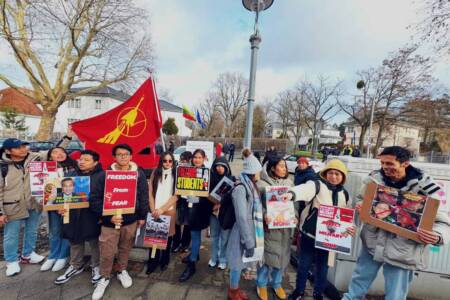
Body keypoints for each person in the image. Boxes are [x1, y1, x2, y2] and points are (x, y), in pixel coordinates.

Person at [343, 146, 450, 300]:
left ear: (405, 163)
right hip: (372, 243)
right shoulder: (374, 179)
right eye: (382, 163)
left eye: (390, 164)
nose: (385, 168)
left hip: (403, 250)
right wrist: (362, 206)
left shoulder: (426, 188)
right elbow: (361, 199)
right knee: (355, 288)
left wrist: (437, 236)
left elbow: (443, 221)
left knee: (395, 295)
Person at [286, 159, 355, 300]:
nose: (334, 176)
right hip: (309, 235)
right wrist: (292, 194)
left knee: (323, 268)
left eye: (337, 174)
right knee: (304, 265)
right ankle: (299, 291)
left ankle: (318, 294)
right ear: (325, 173)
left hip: (328, 239)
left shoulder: (345, 194)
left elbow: (347, 216)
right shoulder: (317, 185)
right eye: (331, 173)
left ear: (343, 177)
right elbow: (304, 189)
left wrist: (350, 228)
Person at [90, 144, 149, 300]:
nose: (123, 157)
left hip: (130, 220)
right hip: (110, 222)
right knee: (107, 251)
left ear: (131, 156)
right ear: (114, 157)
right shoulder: (105, 175)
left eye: (126, 154)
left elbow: (143, 195)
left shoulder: (139, 174)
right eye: (119, 154)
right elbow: (95, 199)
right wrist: (107, 217)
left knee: (125, 248)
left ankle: (122, 270)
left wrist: (142, 216)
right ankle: (104, 277)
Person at [55, 150, 103, 285]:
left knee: (95, 242)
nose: (81, 162)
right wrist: (59, 206)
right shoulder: (71, 174)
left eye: (86, 160)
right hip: (72, 214)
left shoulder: (102, 176)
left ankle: (96, 266)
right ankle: (76, 265)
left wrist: (102, 215)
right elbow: (60, 193)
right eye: (81, 159)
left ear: (95, 162)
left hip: (93, 215)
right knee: (75, 241)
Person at [0, 138, 46, 276]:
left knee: (32, 230)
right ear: (8, 151)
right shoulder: (3, 166)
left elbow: (56, 152)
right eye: (18, 147)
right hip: (12, 205)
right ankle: (11, 261)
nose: (23, 149)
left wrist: (68, 137)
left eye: (24, 146)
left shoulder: (36, 158)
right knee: (11, 235)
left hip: (33, 202)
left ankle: (27, 254)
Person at [226, 148, 263, 300]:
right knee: (236, 265)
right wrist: (248, 242)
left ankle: (235, 289)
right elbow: (241, 217)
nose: (260, 174)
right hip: (241, 233)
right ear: (253, 172)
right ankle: (232, 292)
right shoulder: (241, 188)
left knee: (241, 264)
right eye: (259, 171)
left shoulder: (251, 186)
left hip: (248, 231)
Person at [256, 155, 293, 300]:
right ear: (272, 168)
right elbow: (256, 204)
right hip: (269, 228)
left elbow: (294, 204)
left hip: (285, 228)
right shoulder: (262, 184)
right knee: (266, 258)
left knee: (282, 258)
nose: (284, 169)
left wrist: (294, 215)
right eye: (281, 166)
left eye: (285, 166)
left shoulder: (290, 184)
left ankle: (277, 284)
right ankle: (261, 284)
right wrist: (265, 214)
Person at [178, 149, 214, 282]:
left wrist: (200, 199)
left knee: (195, 234)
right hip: (189, 208)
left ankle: (192, 264)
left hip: (200, 211)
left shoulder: (208, 173)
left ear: (204, 159)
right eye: (195, 157)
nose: (197, 160)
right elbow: (181, 187)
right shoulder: (187, 171)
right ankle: (194, 255)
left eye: (200, 157)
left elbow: (211, 194)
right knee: (191, 232)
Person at [40, 146, 78, 272]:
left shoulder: (75, 167)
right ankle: (52, 256)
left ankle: (63, 256)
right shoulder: (45, 169)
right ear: (50, 156)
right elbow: (39, 187)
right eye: (55, 152)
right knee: (54, 230)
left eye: (62, 151)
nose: (60, 154)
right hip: (52, 204)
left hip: (69, 204)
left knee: (67, 230)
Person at [146, 151, 177, 274]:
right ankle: (152, 263)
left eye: (170, 161)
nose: (167, 163)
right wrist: (153, 209)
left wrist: (162, 209)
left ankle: (164, 261)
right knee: (153, 239)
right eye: (165, 160)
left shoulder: (176, 174)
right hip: (155, 211)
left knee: (167, 239)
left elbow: (176, 195)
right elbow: (150, 192)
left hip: (168, 211)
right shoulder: (155, 172)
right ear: (161, 161)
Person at [208, 156, 234, 270]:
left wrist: (221, 203)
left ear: (227, 167)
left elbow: (233, 197)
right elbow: (206, 196)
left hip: (226, 214)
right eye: (217, 166)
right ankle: (214, 258)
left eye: (222, 166)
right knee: (214, 237)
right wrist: (212, 204)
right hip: (213, 213)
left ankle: (223, 259)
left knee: (224, 238)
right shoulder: (210, 179)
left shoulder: (232, 179)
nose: (219, 168)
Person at [172, 151, 193, 253]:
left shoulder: (194, 170)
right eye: (181, 159)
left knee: (188, 224)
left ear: (190, 160)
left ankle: (185, 244)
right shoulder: (177, 169)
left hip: (190, 201)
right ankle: (175, 243)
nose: (182, 162)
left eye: (185, 160)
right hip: (179, 200)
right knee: (177, 222)